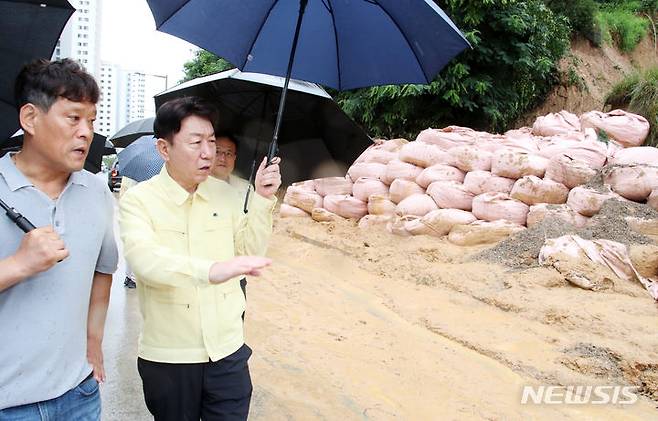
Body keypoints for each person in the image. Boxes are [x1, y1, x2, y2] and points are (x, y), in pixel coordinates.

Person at [118, 96, 281, 420]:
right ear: (164, 149)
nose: (209, 152)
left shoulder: (227, 194)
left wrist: (262, 200)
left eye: (211, 141)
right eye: (196, 142)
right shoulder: (140, 201)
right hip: (170, 359)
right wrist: (213, 270)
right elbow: (146, 262)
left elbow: (248, 253)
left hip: (228, 352)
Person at [0, 59, 118, 419]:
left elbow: (103, 270)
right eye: (74, 118)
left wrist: (93, 339)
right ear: (30, 119)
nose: (87, 132)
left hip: (79, 396)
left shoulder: (96, 192)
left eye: (92, 120)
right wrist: (18, 265)